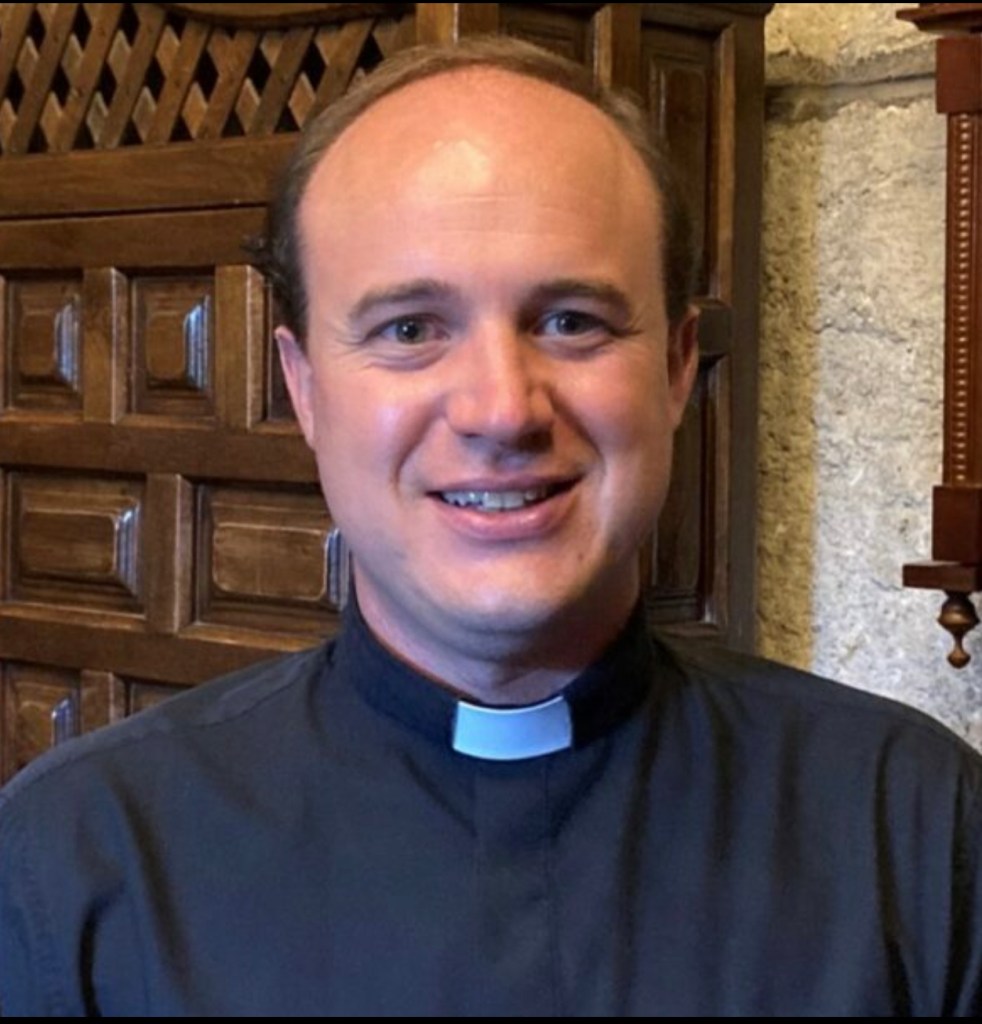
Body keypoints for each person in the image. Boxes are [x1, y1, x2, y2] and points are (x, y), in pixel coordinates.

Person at [2, 36, 981, 1017]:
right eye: (409, 329)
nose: (502, 410)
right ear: (303, 389)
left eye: (571, 321)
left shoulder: (917, 830)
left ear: (679, 365)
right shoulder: (73, 860)